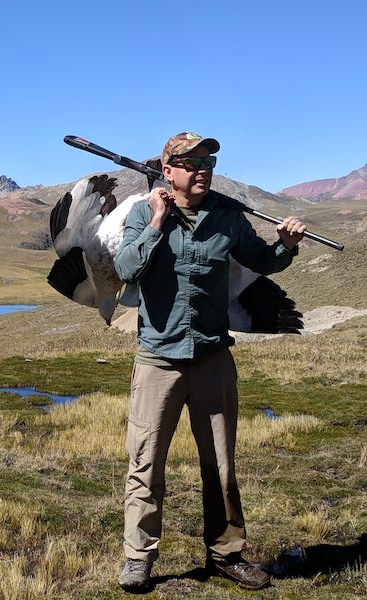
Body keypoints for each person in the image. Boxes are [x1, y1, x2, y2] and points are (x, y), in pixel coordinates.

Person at [112, 132, 307, 592]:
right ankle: (139, 558)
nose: (202, 169)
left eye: (208, 161)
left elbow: (262, 260)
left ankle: (227, 555)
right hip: (159, 358)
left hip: (213, 357)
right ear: (168, 170)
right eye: (191, 162)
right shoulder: (144, 213)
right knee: (146, 463)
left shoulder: (228, 218)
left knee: (220, 464)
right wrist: (158, 220)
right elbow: (125, 269)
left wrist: (285, 244)